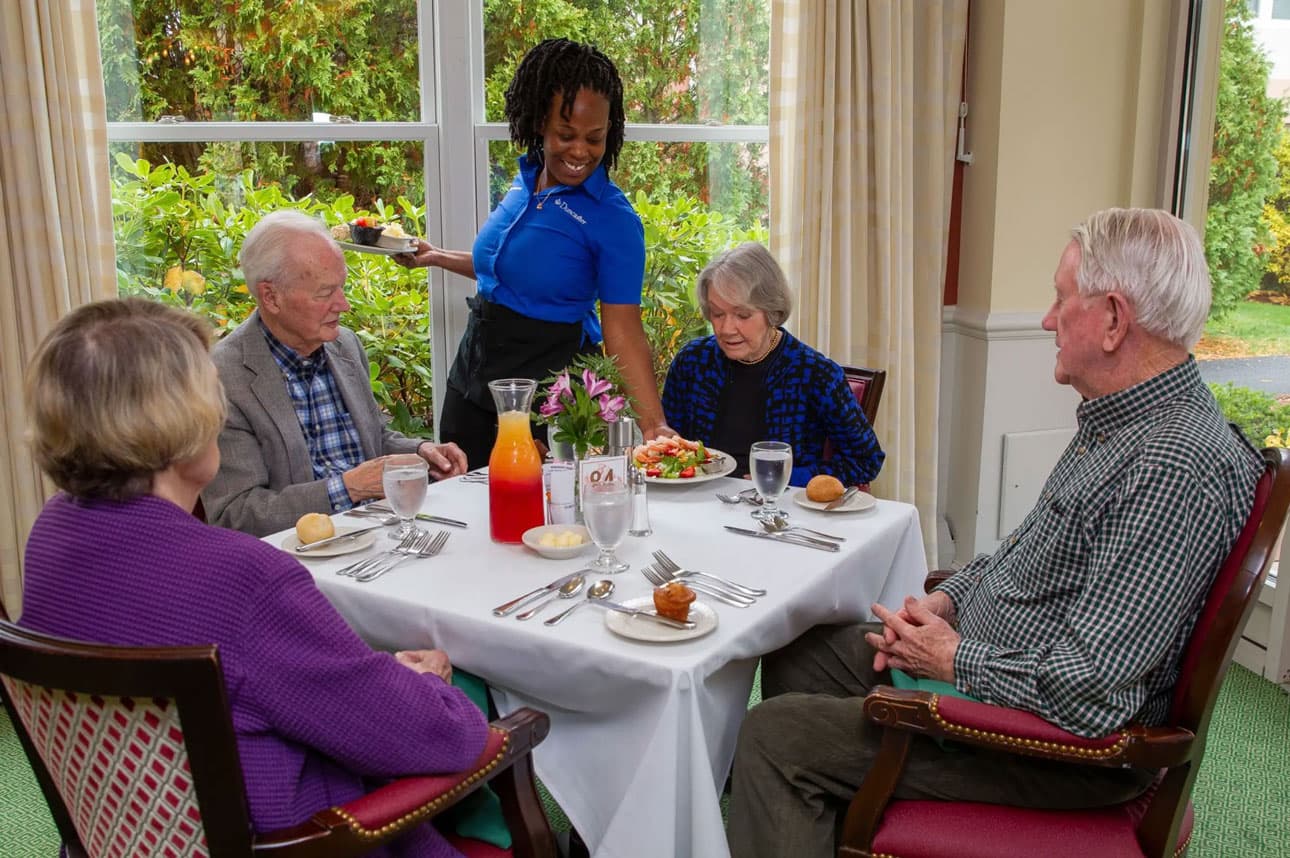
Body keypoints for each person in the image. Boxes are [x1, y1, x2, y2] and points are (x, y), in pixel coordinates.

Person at [726, 208, 1264, 857]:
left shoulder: (1171, 466)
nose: (1047, 319)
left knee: (775, 737)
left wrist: (951, 659)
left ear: (1114, 320)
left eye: (1062, 299)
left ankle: (818, 790)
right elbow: (1024, 554)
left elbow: (1091, 691)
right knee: (798, 651)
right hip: (1000, 672)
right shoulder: (1120, 423)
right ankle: (833, 819)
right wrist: (947, 601)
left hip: (1055, 752)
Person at [19, 298, 488, 858]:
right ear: (184, 419)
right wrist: (434, 689)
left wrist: (373, 677)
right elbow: (439, 738)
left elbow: (270, 679)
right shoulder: (242, 577)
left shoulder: (51, 536)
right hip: (302, 841)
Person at [394, 38, 672, 467]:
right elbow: (509, 272)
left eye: (595, 138)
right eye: (566, 134)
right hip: (471, 379)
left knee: (533, 506)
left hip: (546, 395)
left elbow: (623, 328)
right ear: (540, 121)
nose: (580, 151)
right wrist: (436, 256)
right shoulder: (524, 182)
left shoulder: (614, 220)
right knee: (456, 492)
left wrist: (654, 426)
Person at [201, 209, 467, 537]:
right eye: (325, 293)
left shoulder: (344, 345)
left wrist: (420, 453)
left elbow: (373, 438)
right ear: (271, 297)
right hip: (300, 554)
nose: (344, 305)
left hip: (378, 533)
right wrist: (348, 488)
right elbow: (236, 513)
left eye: (341, 288)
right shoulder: (223, 377)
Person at [661, 242, 884, 486]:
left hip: (777, 503)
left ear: (772, 311)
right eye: (717, 313)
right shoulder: (692, 362)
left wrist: (787, 477)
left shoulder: (816, 374)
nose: (726, 329)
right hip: (699, 499)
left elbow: (866, 460)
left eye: (742, 315)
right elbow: (670, 444)